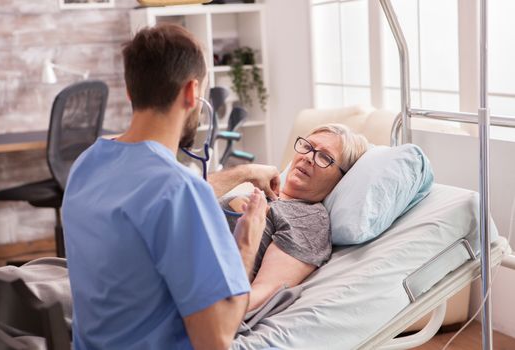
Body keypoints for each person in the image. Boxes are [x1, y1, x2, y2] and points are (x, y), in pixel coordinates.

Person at [62, 23, 279, 350]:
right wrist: (247, 241)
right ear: (192, 92)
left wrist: (244, 172)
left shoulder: (87, 164)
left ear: (129, 89)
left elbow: (150, 195)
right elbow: (216, 338)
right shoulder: (180, 191)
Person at [224, 124, 369, 311]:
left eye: (325, 157)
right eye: (307, 147)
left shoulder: (308, 220)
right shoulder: (265, 192)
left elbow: (263, 293)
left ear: (341, 179)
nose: (309, 158)